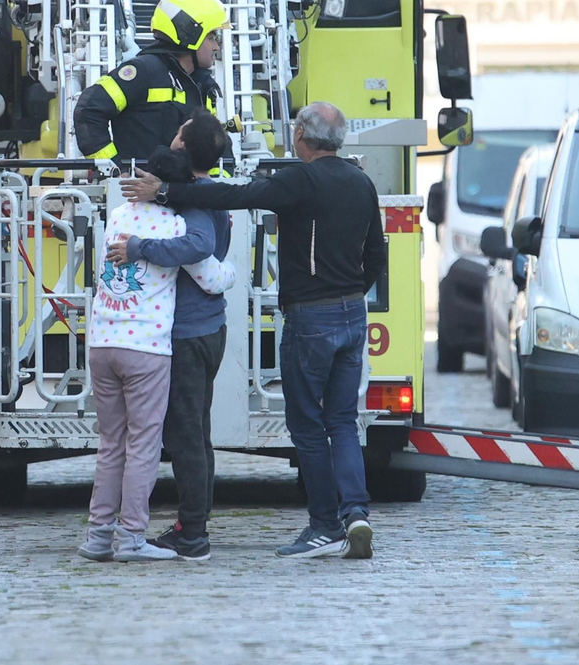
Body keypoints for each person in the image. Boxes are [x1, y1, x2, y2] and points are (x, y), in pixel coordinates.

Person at [124, 102, 384, 560]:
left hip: (311, 316)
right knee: (342, 421)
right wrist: (351, 294)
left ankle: (324, 525)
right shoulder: (362, 182)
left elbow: (234, 196)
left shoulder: (300, 179)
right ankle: (356, 513)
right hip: (352, 315)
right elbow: (375, 258)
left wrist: (165, 192)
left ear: (302, 134)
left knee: (306, 426)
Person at [77, 147, 237, 564]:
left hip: (102, 343)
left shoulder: (116, 216)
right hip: (145, 347)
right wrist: (234, 270)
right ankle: (131, 538)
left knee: (111, 444)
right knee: (144, 445)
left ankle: (97, 537)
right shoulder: (173, 223)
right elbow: (212, 276)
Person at [72, 0, 226, 164]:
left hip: (182, 190)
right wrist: (113, 169)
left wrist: (213, 185)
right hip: (139, 189)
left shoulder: (203, 86)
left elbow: (213, 145)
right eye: (212, 38)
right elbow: (89, 111)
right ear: (190, 34)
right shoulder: (143, 72)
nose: (216, 47)